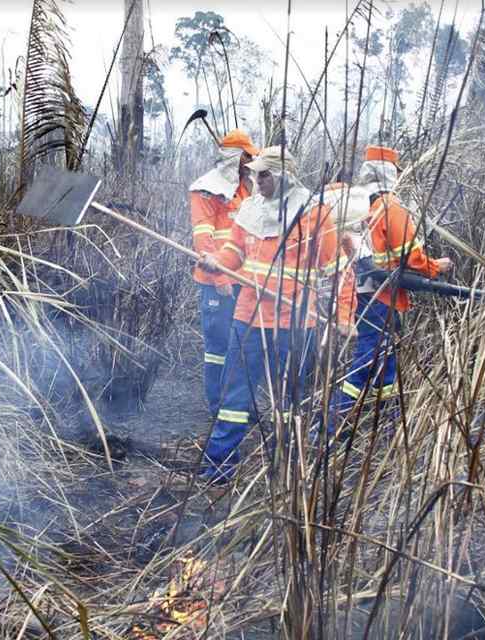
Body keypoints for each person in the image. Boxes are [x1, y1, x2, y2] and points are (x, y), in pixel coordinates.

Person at [196, 146, 344, 484]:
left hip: (295, 323)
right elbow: (234, 252)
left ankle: (287, 470)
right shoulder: (250, 209)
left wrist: (344, 315)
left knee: (290, 400)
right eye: (254, 174)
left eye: (264, 175)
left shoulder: (314, 213)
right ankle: (219, 468)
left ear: (283, 176)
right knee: (233, 397)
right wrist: (217, 262)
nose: (256, 180)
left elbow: (337, 270)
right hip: (248, 317)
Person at [331, 145, 451, 422]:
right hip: (381, 298)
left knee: (386, 357)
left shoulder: (359, 204)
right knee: (368, 358)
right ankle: (334, 419)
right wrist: (435, 267)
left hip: (359, 294)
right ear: (391, 174)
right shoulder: (391, 208)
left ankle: (386, 417)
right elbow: (410, 257)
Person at [189, 129, 259, 416]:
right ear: (236, 157)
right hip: (217, 282)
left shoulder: (246, 188)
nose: (250, 161)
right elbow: (203, 240)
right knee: (218, 346)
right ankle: (218, 406)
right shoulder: (206, 189)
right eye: (247, 156)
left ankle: (238, 403)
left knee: (243, 343)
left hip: (246, 280)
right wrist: (220, 278)